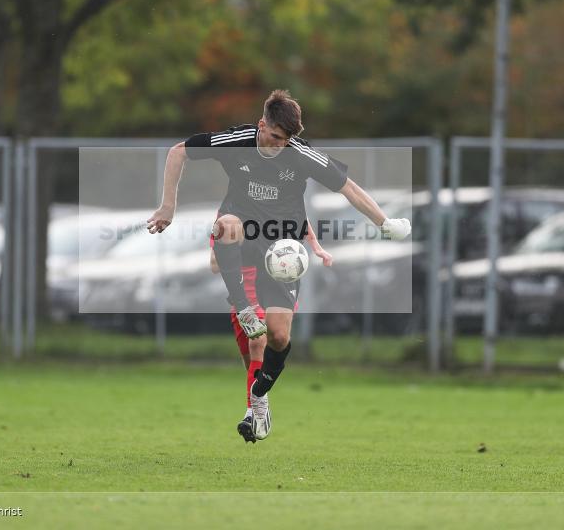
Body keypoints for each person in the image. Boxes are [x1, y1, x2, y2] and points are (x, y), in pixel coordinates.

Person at [148, 89, 411, 441]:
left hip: (281, 252)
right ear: (261, 125)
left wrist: (384, 223)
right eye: (273, 136)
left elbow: (348, 188)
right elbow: (178, 151)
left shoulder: (299, 155)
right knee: (228, 226)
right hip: (241, 239)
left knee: (277, 336)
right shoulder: (237, 141)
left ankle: (259, 397)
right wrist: (168, 206)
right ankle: (242, 307)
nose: (277, 145)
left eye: (285, 140)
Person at [210, 217, 333, 443]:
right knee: (252, 363)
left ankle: (252, 415)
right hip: (241, 297)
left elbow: (300, 219)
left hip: (274, 288)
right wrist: (242, 251)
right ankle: (260, 405)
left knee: (259, 342)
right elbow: (214, 265)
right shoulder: (227, 220)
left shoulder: (276, 203)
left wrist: (315, 247)